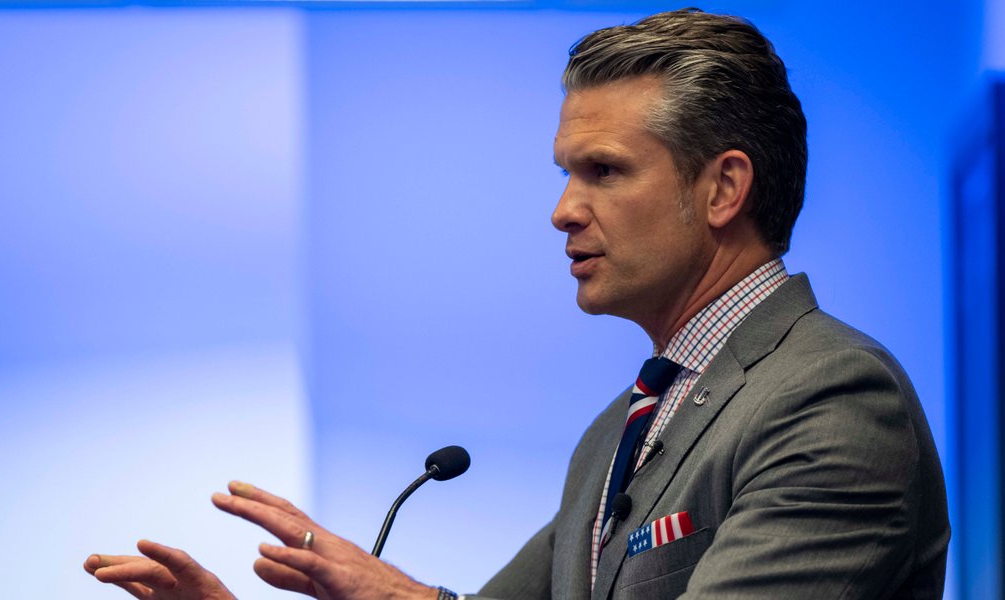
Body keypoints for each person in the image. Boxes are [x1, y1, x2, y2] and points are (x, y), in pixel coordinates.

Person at [84, 8, 949, 599]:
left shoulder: (831, 400)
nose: (564, 209)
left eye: (604, 171)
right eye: (567, 173)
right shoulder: (619, 430)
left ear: (723, 188)